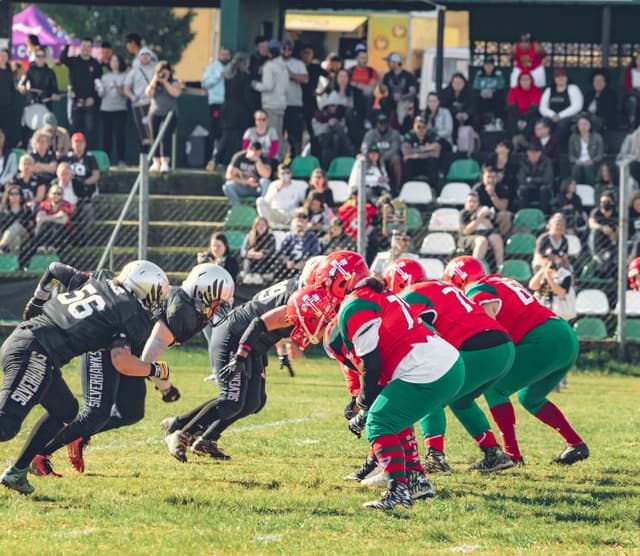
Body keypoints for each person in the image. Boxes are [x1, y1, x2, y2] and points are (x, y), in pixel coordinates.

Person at [26, 263, 234, 478]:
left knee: (130, 412)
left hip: (126, 347)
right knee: (95, 413)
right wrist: (165, 386)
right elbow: (149, 357)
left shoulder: (188, 308)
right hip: (104, 343)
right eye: (217, 304)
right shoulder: (182, 314)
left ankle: (79, 434)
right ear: (203, 293)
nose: (217, 310)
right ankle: (39, 455)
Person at [0, 260, 170, 494]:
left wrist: (38, 299)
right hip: (35, 352)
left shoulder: (95, 283)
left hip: (36, 347)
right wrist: (156, 371)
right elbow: (121, 361)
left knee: (66, 410)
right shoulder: (127, 310)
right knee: (5, 426)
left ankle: (17, 473)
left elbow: (54, 268)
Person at [313, 250, 465, 510]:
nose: (326, 290)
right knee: (394, 417)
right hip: (447, 362)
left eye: (328, 282)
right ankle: (417, 479)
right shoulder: (378, 293)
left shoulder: (356, 304)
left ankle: (398, 491)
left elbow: (372, 366)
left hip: (427, 367)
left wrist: (362, 404)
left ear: (343, 279)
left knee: (379, 422)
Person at [447, 256, 588, 466]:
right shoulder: (500, 281)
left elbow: (486, 329)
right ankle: (575, 444)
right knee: (530, 397)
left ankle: (511, 454)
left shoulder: (477, 290)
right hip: (563, 334)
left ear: (458, 279)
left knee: (496, 389)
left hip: (544, 338)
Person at [384, 258, 516, 473]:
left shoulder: (412, 294)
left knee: (430, 393)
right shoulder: (440, 286)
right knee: (461, 401)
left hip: (477, 346)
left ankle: (435, 457)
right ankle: (493, 453)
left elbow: (422, 331)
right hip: (504, 346)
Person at [162, 275, 301, 461]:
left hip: (252, 343)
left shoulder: (300, 293)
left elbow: (276, 324)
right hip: (237, 337)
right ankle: (182, 432)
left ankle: (203, 437)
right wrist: (241, 356)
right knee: (231, 401)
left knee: (254, 402)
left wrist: (280, 351)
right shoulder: (301, 298)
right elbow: (260, 323)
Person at [60, 38, 102, 144]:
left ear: (91, 48)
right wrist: (68, 44)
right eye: (83, 46)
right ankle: (72, 152)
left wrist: (93, 98)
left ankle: (88, 153)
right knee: (74, 127)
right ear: (80, 47)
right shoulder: (73, 61)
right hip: (75, 101)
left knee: (90, 128)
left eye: (88, 46)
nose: (86, 49)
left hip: (89, 102)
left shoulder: (95, 64)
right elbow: (62, 58)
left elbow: (99, 84)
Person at [251, 40, 288, 152]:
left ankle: (273, 157)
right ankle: (280, 157)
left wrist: (255, 84)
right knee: (278, 132)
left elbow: (268, 86)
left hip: (270, 103)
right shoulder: (284, 66)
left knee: (272, 133)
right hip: (281, 103)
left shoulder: (269, 66)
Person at [144, 61, 181, 173]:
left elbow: (175, 93)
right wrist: (155, 80)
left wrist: (165, 82)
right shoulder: (154, 83)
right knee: (154, 137)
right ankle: (156, 162)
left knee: (165, 137)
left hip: (169, 113)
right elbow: (148, 93)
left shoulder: (174, 82)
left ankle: (165, 162)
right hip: (155, 112)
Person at [219, 52, 254, 166]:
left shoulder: (228, 76)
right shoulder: (245, 76)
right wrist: (252, 109)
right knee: (240, 137)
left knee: (226, 135)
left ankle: (218, 158)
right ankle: (236, 161)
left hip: (227, 108)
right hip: (241, 110)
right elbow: (247, 96)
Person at [278, 40, 308, 158]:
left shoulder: (298, 64)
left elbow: (305, 79)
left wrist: (290, 75)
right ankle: (276, 160)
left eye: (289, 49)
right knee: (277, 135)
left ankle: (296, 160)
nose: (286, 51)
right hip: (277, 104)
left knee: (295, 136)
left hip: (294, 104)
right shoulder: (273, 63)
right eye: (283, 48)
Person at [96, 54, 127, 167]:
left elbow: (125, 93)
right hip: (106, 109)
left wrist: (118, 88)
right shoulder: (105, 77)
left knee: (119, 135)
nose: (114, 63)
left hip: (120, 109)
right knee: (106, 136)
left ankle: (121, 160)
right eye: (112, 61)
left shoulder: (125, 76)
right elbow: (101, 94)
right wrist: (100, 89)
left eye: (116, 61)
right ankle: (106, 161)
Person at [202, 47, 231, 166]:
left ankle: (223, 159)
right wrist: (219, 76)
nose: (225, 57)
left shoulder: (232, 68)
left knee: (226, 131)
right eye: (223, 54)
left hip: (229, 104)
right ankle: (212, 158)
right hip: (216, 103)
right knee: (216, 130)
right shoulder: (212, 68)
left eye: (227, 55)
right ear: (219, 55)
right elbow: (205, 83)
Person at [124, 47, 157, 151]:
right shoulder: (134, 71)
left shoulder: (156, 69)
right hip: (138, 104)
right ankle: (144, 157)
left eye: (147, 54)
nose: (145, 57)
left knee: (153, 130)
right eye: (143, 55)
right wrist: (132, 97)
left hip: (152, 103)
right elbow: (126, 88)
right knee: (142, 132)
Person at [539, 69, 583, 145]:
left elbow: (577, 106)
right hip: (551, 117)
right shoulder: (549, 90)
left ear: (567, 78)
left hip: (568, 117)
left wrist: (560, 116)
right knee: (543, 124)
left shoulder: (573, 88)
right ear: (554, 79)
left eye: (563, 76)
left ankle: (553, 146)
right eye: (558, 77)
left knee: (562, 125)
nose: (560, 79)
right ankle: (541, 147)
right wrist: (552, 115)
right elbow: (542, 107)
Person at [459, 191, 504, 267]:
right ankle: (474, 267)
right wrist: (479, 218)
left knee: (496, 238)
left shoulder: (483, 212)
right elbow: (466, 231)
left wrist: (485, 215)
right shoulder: (464, 214)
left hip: (486, 233)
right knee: (482, 241)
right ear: (465, 203)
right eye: (470, 201)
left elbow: (490, 227)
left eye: (474, 202)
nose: (472, 204)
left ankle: (500, 266)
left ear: (478, 203)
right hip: (469, 237)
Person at [529, 251, 576, 323]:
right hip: (542, 309)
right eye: (547, 258)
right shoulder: (541, 272)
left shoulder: (565, 274)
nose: (549, 261)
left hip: (559, 312)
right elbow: (532, 286)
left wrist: (548, 277)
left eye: (552, 258)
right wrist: (543, 270)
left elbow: (561, 293)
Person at [312, 91, 354, 169]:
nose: (334, 108)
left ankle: (335, 166)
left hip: (336, 140)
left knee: (336, 137)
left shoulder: (340, 116)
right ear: (327, 106)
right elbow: (317, 131)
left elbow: (345, 130)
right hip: (322, 138)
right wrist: (328, 125)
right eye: (332, 105)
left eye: (336, 106)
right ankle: (350, 150)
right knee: (335, 126)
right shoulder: (319, 116)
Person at [361, 113, 403, 190]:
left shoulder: (394, 133)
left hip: (388, 159)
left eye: (384, 123)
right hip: (373, 159)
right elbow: (365, 148)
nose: (382, 125)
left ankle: (397, 188)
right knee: (363, 159)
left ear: (388, 123)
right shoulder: (370, 134)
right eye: (380, 123)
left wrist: (381, 157)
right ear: (377, 123)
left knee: (397, 158)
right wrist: (376, 157)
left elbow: (395, 149)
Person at [222, 142, 271, 206]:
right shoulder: (239, 157)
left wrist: (258, 161)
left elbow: (266, 175)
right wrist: (247, 182)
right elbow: (228, 176)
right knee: (227, 186)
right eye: (251, 149)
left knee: (265, 181)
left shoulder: (264, 158)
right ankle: (237, 209)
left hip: (258, 188)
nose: (253, 153)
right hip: (243, 186)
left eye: (256, 151)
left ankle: (263, 207)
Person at [257, 163, 306, 227]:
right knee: (259, 200)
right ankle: (266, 225)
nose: (285, 175)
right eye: (283, 174)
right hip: (276, 213)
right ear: (278, 175)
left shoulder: (298, 185)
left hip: (291, 214)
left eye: (288, 173)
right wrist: (277, 189)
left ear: (291, 174)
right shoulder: (274, 184)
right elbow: (267, 202)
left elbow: (305, 201)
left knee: (303, 210)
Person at [31, 184, 74, 254]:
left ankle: (53, 247)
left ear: (62, 195)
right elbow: (39, 219)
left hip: (62, 232)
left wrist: (46, 218)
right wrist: (56, 216)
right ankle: (42, 247)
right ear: (49, 194)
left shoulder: (67, 204)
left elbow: (64, 220)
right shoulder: (44, 204)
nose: (56, 195)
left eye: (59, 193)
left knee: (54, 225)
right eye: (54, 193)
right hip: (46, 230)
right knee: (46, 225)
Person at [401, 115, 441, 187]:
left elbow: (436, 153)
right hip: (415, 163)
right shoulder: (409, 135)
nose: (421, 129)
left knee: (433, 161)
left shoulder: (431, 134)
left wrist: (416, 153)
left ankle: (433, 188)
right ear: (414, 126)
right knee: (408, 162)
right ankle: (407, 186)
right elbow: (406, 153)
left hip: (426, 163)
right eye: (418, 127)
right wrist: (426, 149)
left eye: (424, 127)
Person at [472, 166, 512, 235]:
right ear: (483, 177)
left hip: (496, 215)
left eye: (493, 177)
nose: (491, 180)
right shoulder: (477, 189)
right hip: (481, 214)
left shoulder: (501, 188)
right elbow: (473, 206)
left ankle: (502, 238)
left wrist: (492, 195)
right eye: (488, 177)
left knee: (506, 216)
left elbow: (503, 207)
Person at [516, 140, 554, 215]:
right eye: (531, 152)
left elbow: (548, 179)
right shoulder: (523, 162)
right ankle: (523, 216)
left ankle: (544, 216)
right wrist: (536, 180)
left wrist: (531, 180)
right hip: (529, 189)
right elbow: (521, 178)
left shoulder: (546, 161)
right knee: (522, 189)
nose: (533, 155)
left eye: (536, 152)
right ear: (527, 153)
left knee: (544, 189)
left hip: (542, 189)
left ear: (540, 153)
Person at [379, 52, 417, 126]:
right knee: (383, 102)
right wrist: (380, 80)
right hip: (391, 101)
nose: (388, 64)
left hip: (404, 101)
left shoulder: (408, 75)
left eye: (389, 62)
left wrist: (402, 97)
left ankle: (401, 127)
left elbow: (412, 92)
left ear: (395, 63)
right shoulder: (387, 75)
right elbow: (383, 92)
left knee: (401, 109)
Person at [17, 45, 59, 110]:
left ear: (45, 57)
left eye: (42, 56)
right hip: (32, 103)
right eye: (38, 56)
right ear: (35, 56)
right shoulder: (30, 70)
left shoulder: (50, 72)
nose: (40, 58)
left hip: (46, 105)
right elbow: (22, 83)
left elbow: (55, 88)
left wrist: (55, 94)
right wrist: (21, 87)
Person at [300, 44, 327, 142]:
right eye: (305, 53)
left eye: (309, 53)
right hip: (297, 99)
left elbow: (330, 76)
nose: (307, 55)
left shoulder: (316, 67)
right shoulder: (297, 66)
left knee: (312, 126)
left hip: (311, 100)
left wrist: (322, 92)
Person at [568, 114, 604, 185]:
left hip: (591, 162)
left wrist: (592, 161)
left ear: (590, 125)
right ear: (577, 126)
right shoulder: (573, 137)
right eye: (581, 124)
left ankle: (591, 188)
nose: (583, 126)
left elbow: (600, 155)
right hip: (578, 162)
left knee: (588, 168)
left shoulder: (597, 137)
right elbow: (571, 155)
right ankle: (575, 187)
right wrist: (576, 161)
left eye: (585, 124)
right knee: (576, 168)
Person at [63, 132, 100, 200]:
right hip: (70, 185)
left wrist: (84, 183)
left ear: (85, 144)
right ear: (71, 144)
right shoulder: (67, 157)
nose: (79, 144)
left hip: (86, 185)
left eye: (81, 142)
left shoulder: (90, 157)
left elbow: (96, 175)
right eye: (76, 142)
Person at [240, 216, 276, 285]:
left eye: (263, 224)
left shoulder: (271, 236)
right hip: (251, 259)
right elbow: (242, 251)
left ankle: (260, 276)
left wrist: (262, 254)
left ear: (266, 226)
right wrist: (248, 253)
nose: (261, 226)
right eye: (258, 224)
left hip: (263, 260)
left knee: (265, 259)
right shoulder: (249, 235)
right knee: (247, 260)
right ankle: (248, 275)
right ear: (255, 226)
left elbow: (272, 250)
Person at [440, 72, 475, 142]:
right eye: (455, 83)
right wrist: (455, 113)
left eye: (460, 83)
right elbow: (444, 106)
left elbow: (473, 106)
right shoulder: (445, 92)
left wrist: (467, 114)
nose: (457, 85)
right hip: (452, 116)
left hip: (466, 116)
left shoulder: (470, 92)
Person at [472, 55, 506, 127]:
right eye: (487, 65)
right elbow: (475, 88)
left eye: (490, 65)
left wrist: (493, 93)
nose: (488, 67)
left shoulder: (498, 74)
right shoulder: (479, 74)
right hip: (482, 99)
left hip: (494, 98)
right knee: (475, 100)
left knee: (500, 99)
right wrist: (481, 93)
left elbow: (501, 88)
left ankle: (498, 121)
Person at [348, 45, 378, 125]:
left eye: (366, 58)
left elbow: (370, 89)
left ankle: (367, 119)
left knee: (368, 94)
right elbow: (347, 84)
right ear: (356, 58)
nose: (365, 60)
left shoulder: (372, 71)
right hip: (353, 95)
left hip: (365, 98)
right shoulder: (350, 71)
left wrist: (355, 84)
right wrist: (362, 86)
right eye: (362, 58)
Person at [506, 72, 541, 140]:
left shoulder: (536, 90)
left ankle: (526, 141)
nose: (525, 82)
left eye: (527, 79)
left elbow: (535, 106)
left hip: (530, 115)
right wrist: (519, 119)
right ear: (519, 81)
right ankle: (513, 141)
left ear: (531, 81)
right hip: (517, 115)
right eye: (523, 80)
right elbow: (511, 104)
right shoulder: (514, 90)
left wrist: (524, 120)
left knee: (534, 120)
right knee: (511, 118)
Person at [0, 185, 33, 255]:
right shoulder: (4, 210)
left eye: (16, 194)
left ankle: (2, 245)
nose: (14, 196)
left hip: (24, 234)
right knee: (16, 239)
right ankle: (15, 262)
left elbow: (29, 224)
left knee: (16, 225)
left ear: (20, 195)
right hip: (9, 235)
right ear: (8, 196)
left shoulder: (26, 209)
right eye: (11, 194)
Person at [588, 192, 618, 259]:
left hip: (610, 239)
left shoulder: (615, 214)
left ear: (612, 202)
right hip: (598, 239)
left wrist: (614, 234)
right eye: (602, 202)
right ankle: (596, 255)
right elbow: (591, 223)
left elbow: (618, 228)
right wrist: (602, 228)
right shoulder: (596, 212)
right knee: (595, 231)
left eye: (607, 202)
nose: (604, 204)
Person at [0, 49, 16, 148]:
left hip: (8, 106)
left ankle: (6, 148)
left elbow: (12, 88)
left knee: (7, 130)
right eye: (1, 55)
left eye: (5, 55)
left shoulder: (10, 71)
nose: (3, 58)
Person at [622, 54, 640, 129]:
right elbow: (627, 86)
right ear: (636, 61)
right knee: (633, 100)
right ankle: (631, 121)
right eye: (639, 59)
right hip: (633, 93)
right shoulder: (630, 71)